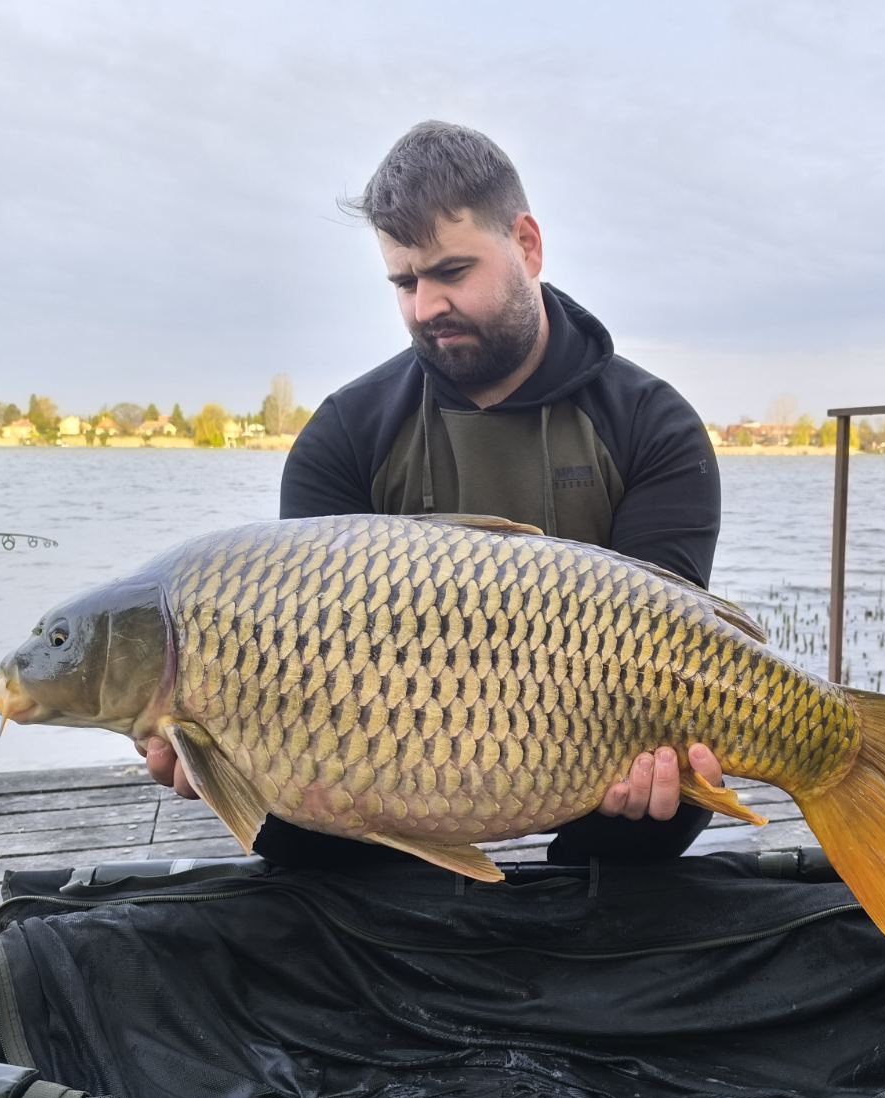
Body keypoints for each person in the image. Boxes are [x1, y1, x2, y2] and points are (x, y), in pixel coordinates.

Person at [143, 120, 724, 864]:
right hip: (386, 766)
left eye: (452, 272)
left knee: (670, 786)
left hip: (603, 764)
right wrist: (223, 748)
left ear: (528, 245)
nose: (425, 307)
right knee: (288, 809)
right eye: (405, 282)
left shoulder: (653, 426)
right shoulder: (345, 436)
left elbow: (674, 644)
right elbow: (302, 665)